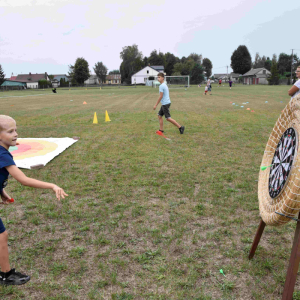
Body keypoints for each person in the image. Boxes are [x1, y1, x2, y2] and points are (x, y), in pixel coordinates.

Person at [0, 115, 68, 285]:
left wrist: (1, 192)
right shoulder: (3, 155)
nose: (16, 134)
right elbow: (23, 180)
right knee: (2, 236)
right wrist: (52, 185)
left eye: (16, 129)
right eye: (10, 131)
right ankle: (5, 275)